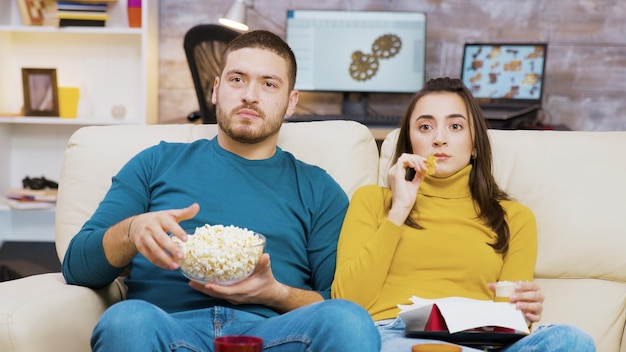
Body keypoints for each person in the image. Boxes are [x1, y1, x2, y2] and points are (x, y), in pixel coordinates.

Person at [62, 30, 380, 352]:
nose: (250, 96)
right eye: (237, 80)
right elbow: (77, 266)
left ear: (291, 102)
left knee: (348, 320)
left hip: (275, 335)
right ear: (216, 90)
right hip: (168, 330)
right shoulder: (155, 163)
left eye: (269, 84)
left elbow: (337, 297)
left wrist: (275, 293)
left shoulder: (318, 188)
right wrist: (131, 231)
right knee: (125, 320)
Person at [331, 77, 596, 351]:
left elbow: (510, 324)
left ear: (475, 145)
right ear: (410, 143)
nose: (439, 139)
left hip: (475, 341)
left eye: (455, 126)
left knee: (572, 340)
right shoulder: (373, 201)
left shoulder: (514, 218)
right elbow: (349, 302)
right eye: (425, 127)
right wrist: (399, 210)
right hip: (395, 335)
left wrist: (523, 312)